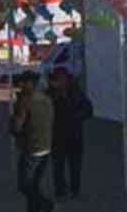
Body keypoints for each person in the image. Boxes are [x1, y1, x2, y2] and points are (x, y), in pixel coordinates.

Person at [10, 72, 55, 212]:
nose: (20, 85)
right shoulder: (46, 98)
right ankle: (34, 208)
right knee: (34, 183)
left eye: (23, 82)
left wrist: (12, 121)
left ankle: (45, 205)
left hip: (32, 147)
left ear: (30, 83)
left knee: (24, 184)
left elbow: (17, 126)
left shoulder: (25, 101)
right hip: (46, 146)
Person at [49, 67, 93, 201]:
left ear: (67, 79)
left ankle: (75, 190)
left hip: (74, 135)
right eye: (58, 79)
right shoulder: (50, 94)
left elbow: (88, 110)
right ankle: (60, 190)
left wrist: (75, 116)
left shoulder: (76, 92)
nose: (61, 81)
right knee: (58, 166)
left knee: (75, 166)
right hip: (57, 136)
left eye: (63, 78)